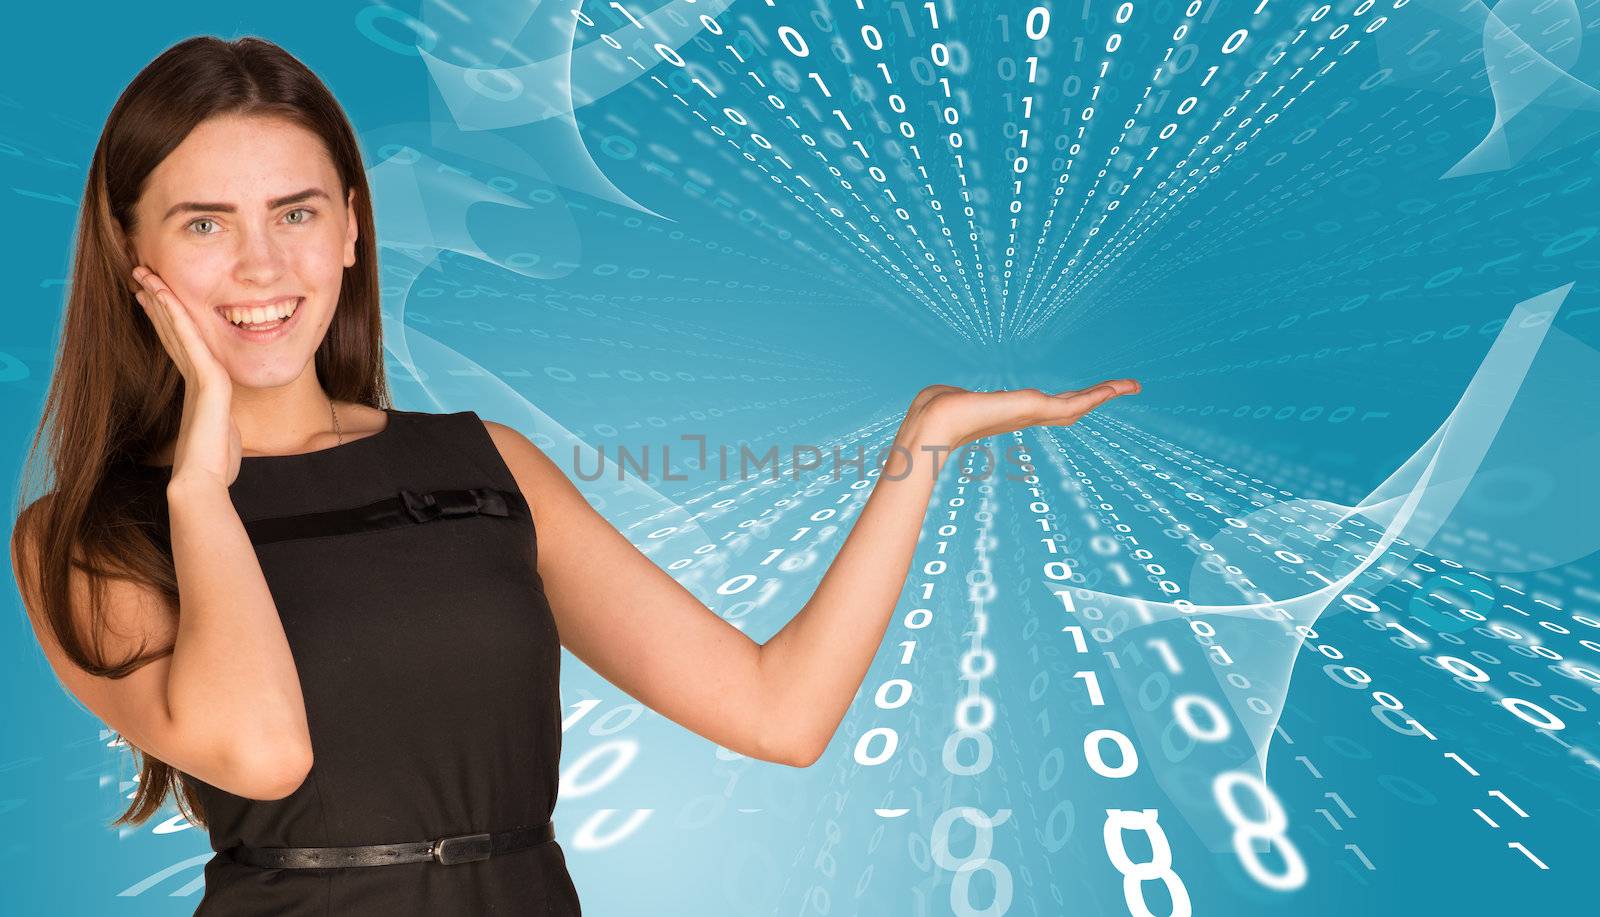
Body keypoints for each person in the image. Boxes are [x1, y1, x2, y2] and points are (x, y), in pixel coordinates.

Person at [7, 34, 1139, 917]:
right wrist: (201, 487)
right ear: (132, 253)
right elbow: (264, 749)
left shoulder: (481, 462)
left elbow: (777, 710)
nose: (261, 265)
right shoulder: (88, 532)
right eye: (205, 223)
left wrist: (924, 443)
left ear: (352, 228)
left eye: (296, 212)